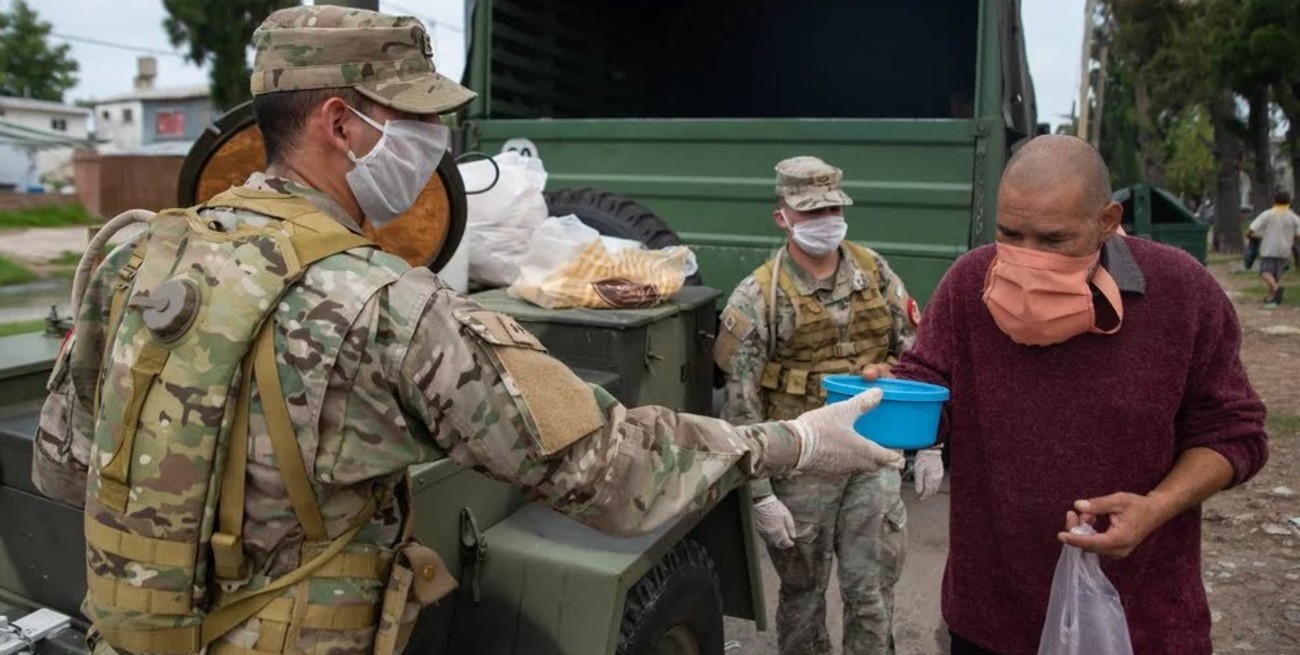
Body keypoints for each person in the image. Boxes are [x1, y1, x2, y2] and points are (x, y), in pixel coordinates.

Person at [29, 8, 903, 655]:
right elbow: (612, 469)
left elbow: (64, 467)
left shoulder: (132, 252)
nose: (434, 141)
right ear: (340, 122)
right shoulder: (391, 308)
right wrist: (790, 442)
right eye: (414, 118)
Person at [882, 135, 1268, 655]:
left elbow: (1234, 430)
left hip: (1143, 618)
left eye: (1053, 239)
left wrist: (1156, 507)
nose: (1028, 257)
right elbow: (929, 389)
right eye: (1010, 233)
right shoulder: (969, 284)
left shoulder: (1183, 292)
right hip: (991, 617)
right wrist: (886, 396)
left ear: (1108, 221)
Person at [713, 156, 938, 655]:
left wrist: (932, 442)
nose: (824, 222)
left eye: (831, 209)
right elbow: (743, 403)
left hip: (871, 456)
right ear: (783, 218)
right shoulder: (758, 296)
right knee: (803, 597)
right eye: (810, 213)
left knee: (872, 594)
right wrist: (760, 494)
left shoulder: (876, 274)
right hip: (801, 464)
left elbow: (919, 357)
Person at [1247, 191, 1300, 304]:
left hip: (1269, 248)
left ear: (1274, 201)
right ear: (1289, 202)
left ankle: (1276, 289)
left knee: (1265, 272)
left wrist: (1252, 235)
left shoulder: (1268, 214)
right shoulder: (1293, 216)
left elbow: (1252, 228)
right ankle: (1271, 297)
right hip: (1285, 249)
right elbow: (1298, 234)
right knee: (1276, 275)